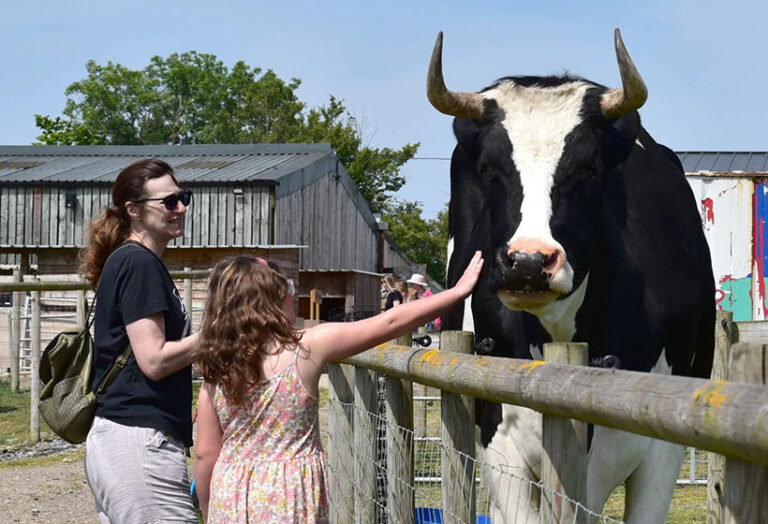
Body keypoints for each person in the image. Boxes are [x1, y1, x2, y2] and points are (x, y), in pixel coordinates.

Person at [193, 251, 484, 523]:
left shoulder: (216, 368)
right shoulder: (305, 347)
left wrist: (210, 510)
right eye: (286, 292)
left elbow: (206, 453)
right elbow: (390, 321)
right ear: (270, 301)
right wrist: (456, 293)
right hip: (290, 495)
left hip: (229, 493)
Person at [80, 158, 200, 523]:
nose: (179, 208)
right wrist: (216, 335)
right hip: (139, 442)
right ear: (133, 210)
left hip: (127, 440)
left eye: (183, 198)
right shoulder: (139, 263)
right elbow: (154, 359)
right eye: (168, 202)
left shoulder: (134, 261)